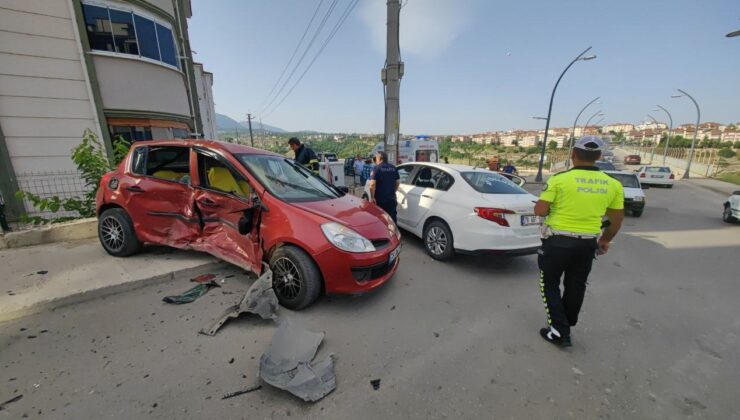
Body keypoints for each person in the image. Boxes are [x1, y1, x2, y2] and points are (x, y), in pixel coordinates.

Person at [533, 136, 624, 348]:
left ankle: (559, 331)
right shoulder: (613, 185)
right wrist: (605, 241)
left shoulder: (559, 179)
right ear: (599, 157)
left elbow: (540, 210)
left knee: (549, 284)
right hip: (587, 244)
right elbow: (616, 221)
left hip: (557, 242)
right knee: (576, 285)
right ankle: (566, 323)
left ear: (573, 154)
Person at [368, 151, 400, 224]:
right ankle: (393, 234)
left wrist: (372, 197)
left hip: (380, 200)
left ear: (380, 158)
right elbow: (398, 183)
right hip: (391, 199)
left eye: (376, 158)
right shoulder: (393, 168)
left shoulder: (376, 168)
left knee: (380, 220)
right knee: (392, 220)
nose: (375, 160)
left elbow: (372, 184)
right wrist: (393, 191)